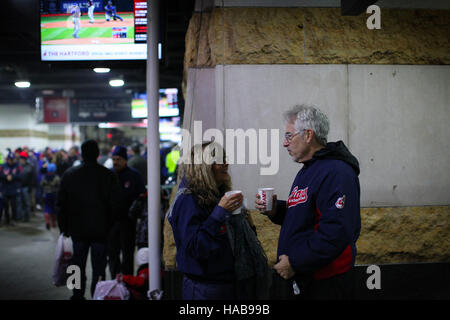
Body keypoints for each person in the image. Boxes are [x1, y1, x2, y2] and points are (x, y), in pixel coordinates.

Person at [255, 104, 361, 300]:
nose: (285, 144)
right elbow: (306, 216)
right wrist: (276, 211)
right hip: (307, 279)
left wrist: (295, 262)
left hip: (326, 283)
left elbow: (335, 230)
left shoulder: (337, 172)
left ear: (308, 135)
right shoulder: (309, 169)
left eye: (289, 136)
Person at [168, 141, 269, 300]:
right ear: (204, 165)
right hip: (204, 287)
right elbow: (195, 249)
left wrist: (245, 223)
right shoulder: (187, 200)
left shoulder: (218, 193)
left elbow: (234, 242)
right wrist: (219, 213)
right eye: (219, 161)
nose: (226, 164)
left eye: (225, 159)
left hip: (230, 283)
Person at [56, 140, 121, 300]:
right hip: (101, 231)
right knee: (99, 268)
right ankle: (97, 294)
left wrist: (64, 229)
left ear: (82, 154)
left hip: (76, 231)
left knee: (75, 266)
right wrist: (109, 227)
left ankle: (76, 295)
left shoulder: (69, 175)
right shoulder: (108, 175)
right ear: (98, 154)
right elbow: (116, 206)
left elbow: (60, 205)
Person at [108, 146, 146, 278]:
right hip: (111, 223)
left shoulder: (134, 176)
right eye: (113, 159)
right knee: (113, 254)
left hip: (128, 223)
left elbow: (142, 196)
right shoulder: (108, 175)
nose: (115, 162)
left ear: (125, 160)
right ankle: (115, 281)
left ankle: (128, 282)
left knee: (127, 254)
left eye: (118, 159)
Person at [0, 153, 22, 225]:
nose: (11, 161)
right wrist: (6, 177)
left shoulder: (17, 166)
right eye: (9, 159)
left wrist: (12, 177)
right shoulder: (3, 166)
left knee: (14, 205)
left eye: (12, 160)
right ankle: (7, 219)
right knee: (5, 205)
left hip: (13, 189)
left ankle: (14, 219)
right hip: (5, 189)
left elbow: (20, 176)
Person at [41, 163, 60, 230]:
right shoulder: (56, 177)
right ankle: (53, 223)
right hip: (54, 194)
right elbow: (59, 185)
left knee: (47, 207)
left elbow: (41, 184)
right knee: (54, 208)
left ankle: (47, 220)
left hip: (46, 194)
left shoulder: (44, 176)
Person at [18, 151, 33, 222]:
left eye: (22, 159)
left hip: (26, 187)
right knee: (20, 203)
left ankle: (27, 217)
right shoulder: (18, 166)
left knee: (26, 203)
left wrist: (30, 187)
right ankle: (20, 217)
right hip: (19, 187)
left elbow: (32, 178)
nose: (21, 160)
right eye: (20, 159)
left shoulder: (30, 166)